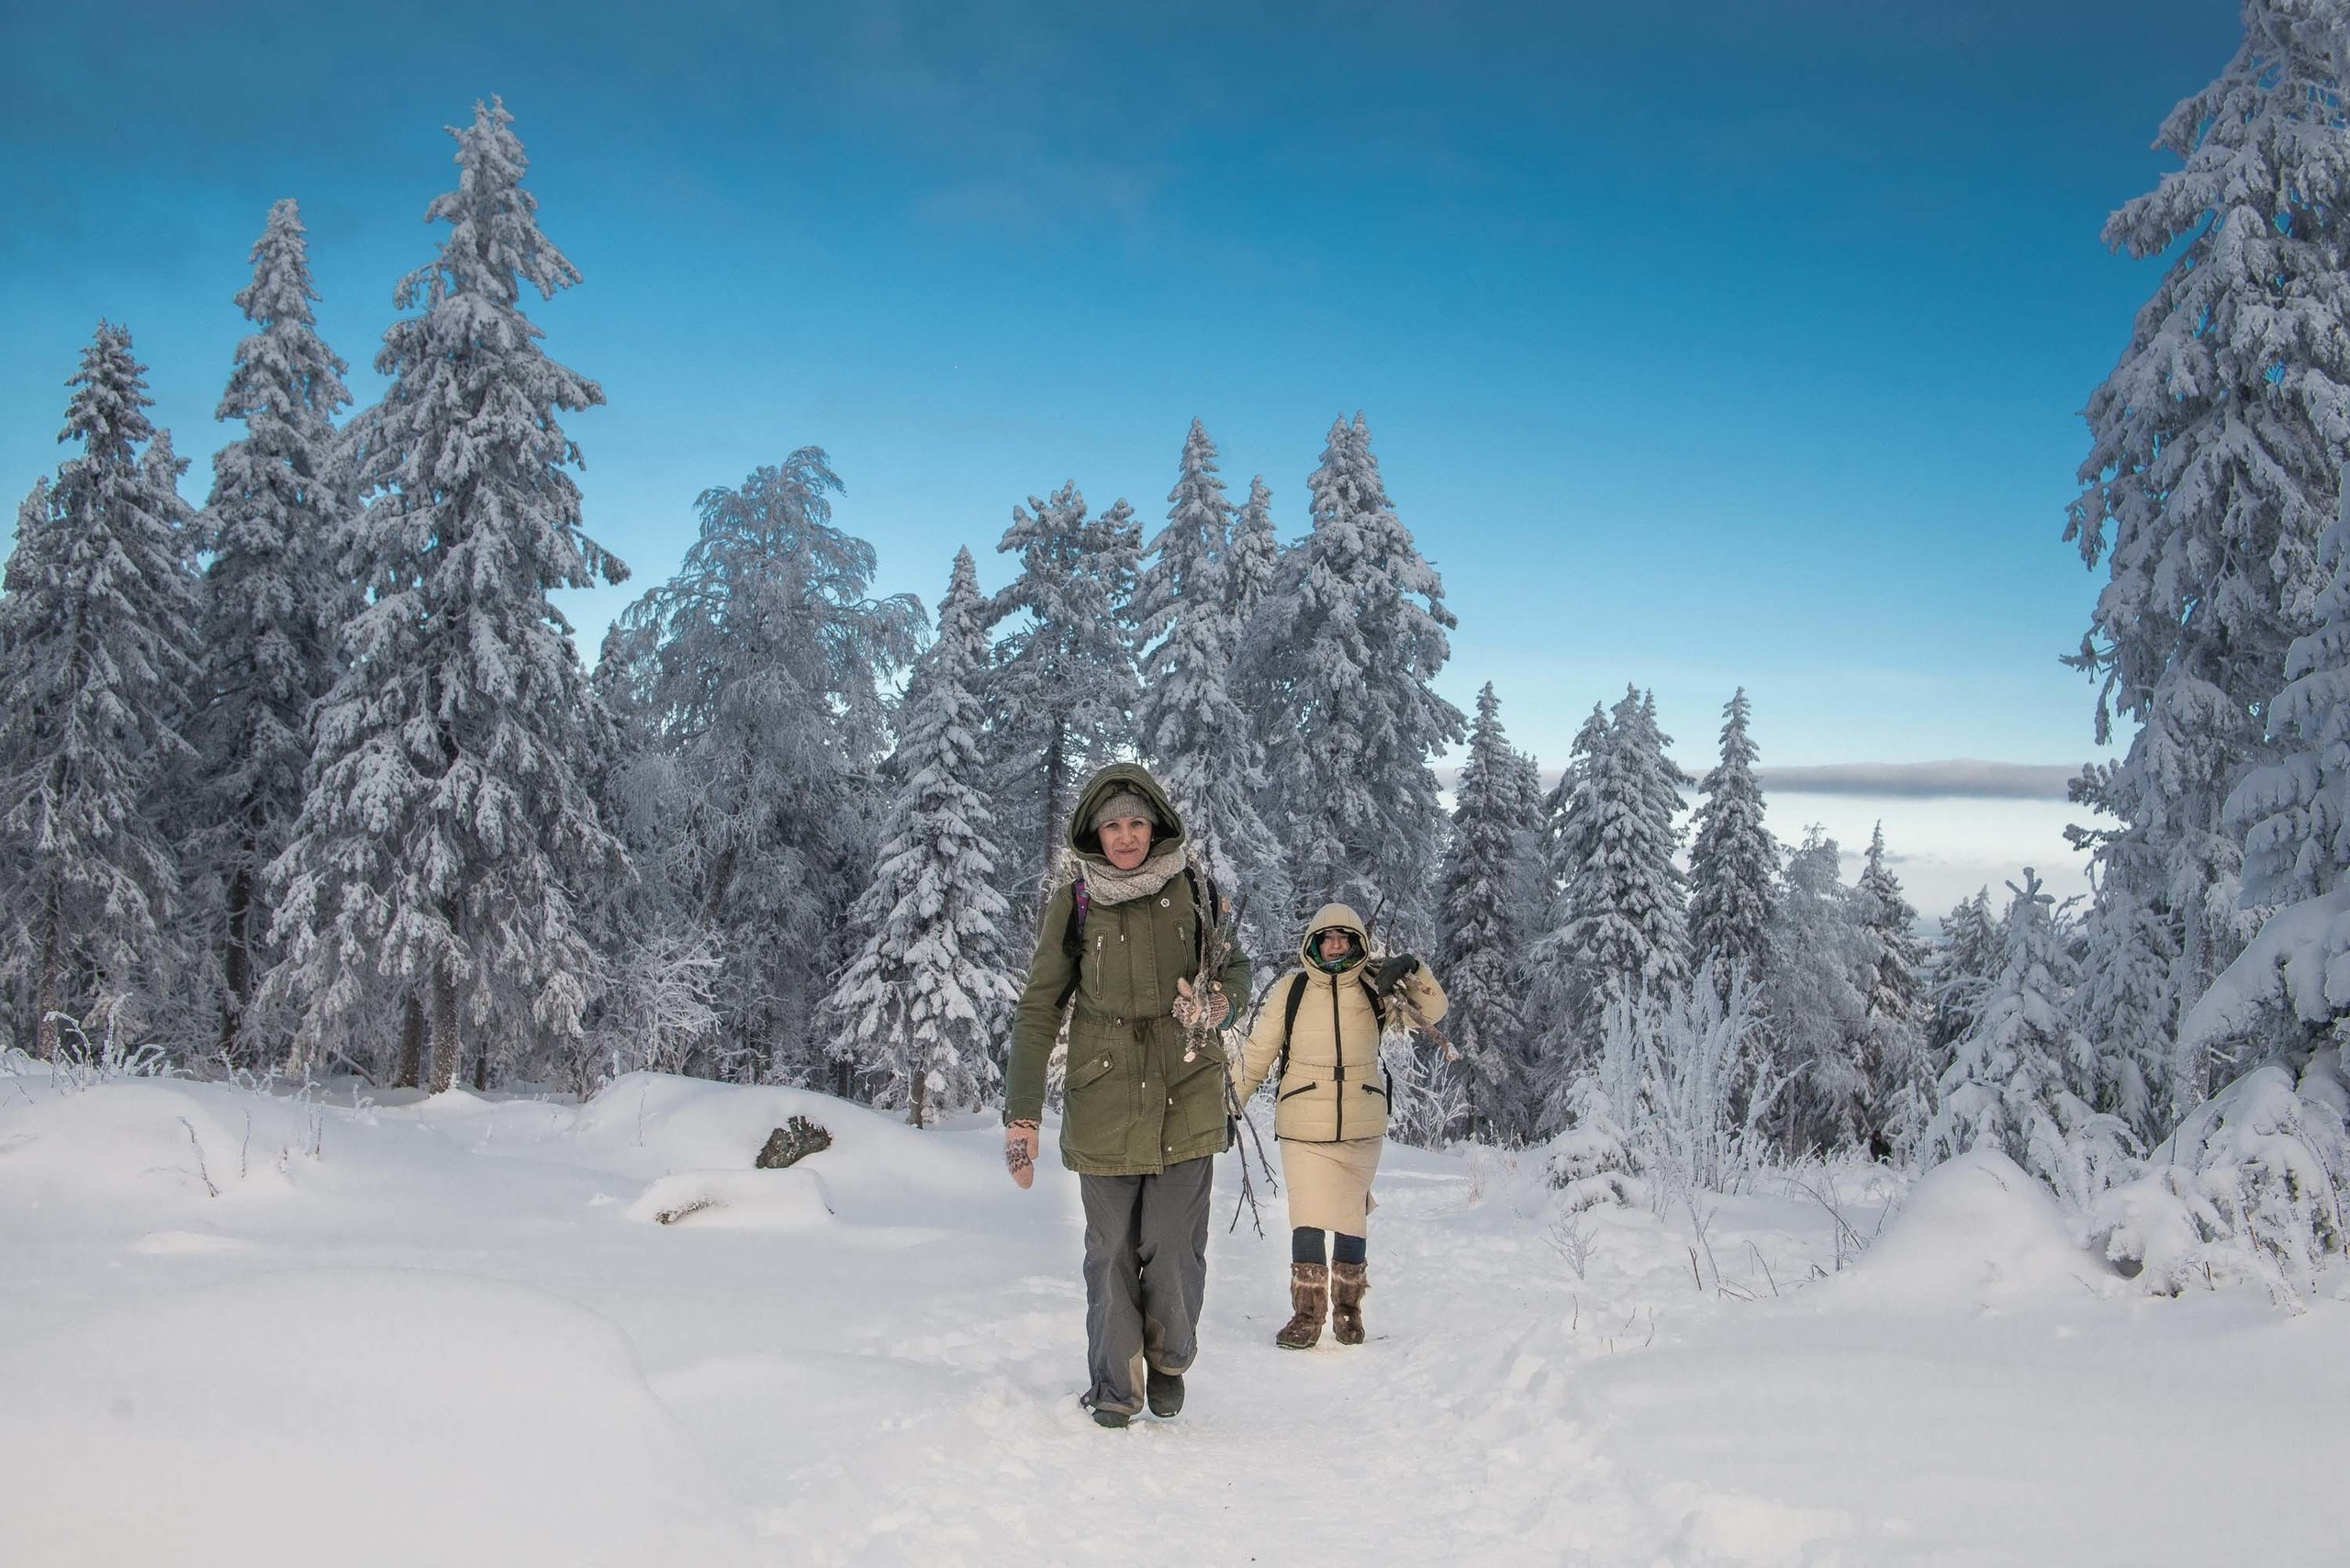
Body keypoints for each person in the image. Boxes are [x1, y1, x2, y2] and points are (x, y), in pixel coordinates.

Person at [1002, 763, 1250, 1428]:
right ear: (1093, 831)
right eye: (1112, 824)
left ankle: (1168, 1359)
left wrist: (1219, 1006)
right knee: (1110, 1250)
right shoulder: (1075, 901)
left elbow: (1234, 969)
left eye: (1137, 821)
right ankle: (1115, 1386)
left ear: (1157, 824)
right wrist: (1021, 1116)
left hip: (1186, 1091)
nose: (1126, 836)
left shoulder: (1195, 887)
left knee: (1172, 1246)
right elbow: (1039, 1008)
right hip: (1105, 1096)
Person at [1231, 903, 1447, 1350]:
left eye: (1344, 938)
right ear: (1313, 942)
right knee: (1307, 1217)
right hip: (1303, 1124)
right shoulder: (1292, 990)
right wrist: (1228, 1105)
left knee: (1351, 1216)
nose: (1334, 945)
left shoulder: (1376, 989)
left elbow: (1434, 1011)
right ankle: (1307, 1316)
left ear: (1356, 943)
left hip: (1361, 1121)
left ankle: (1350, 1314)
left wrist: (1412, 971)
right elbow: (1256, 1054)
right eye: (1326, 938)